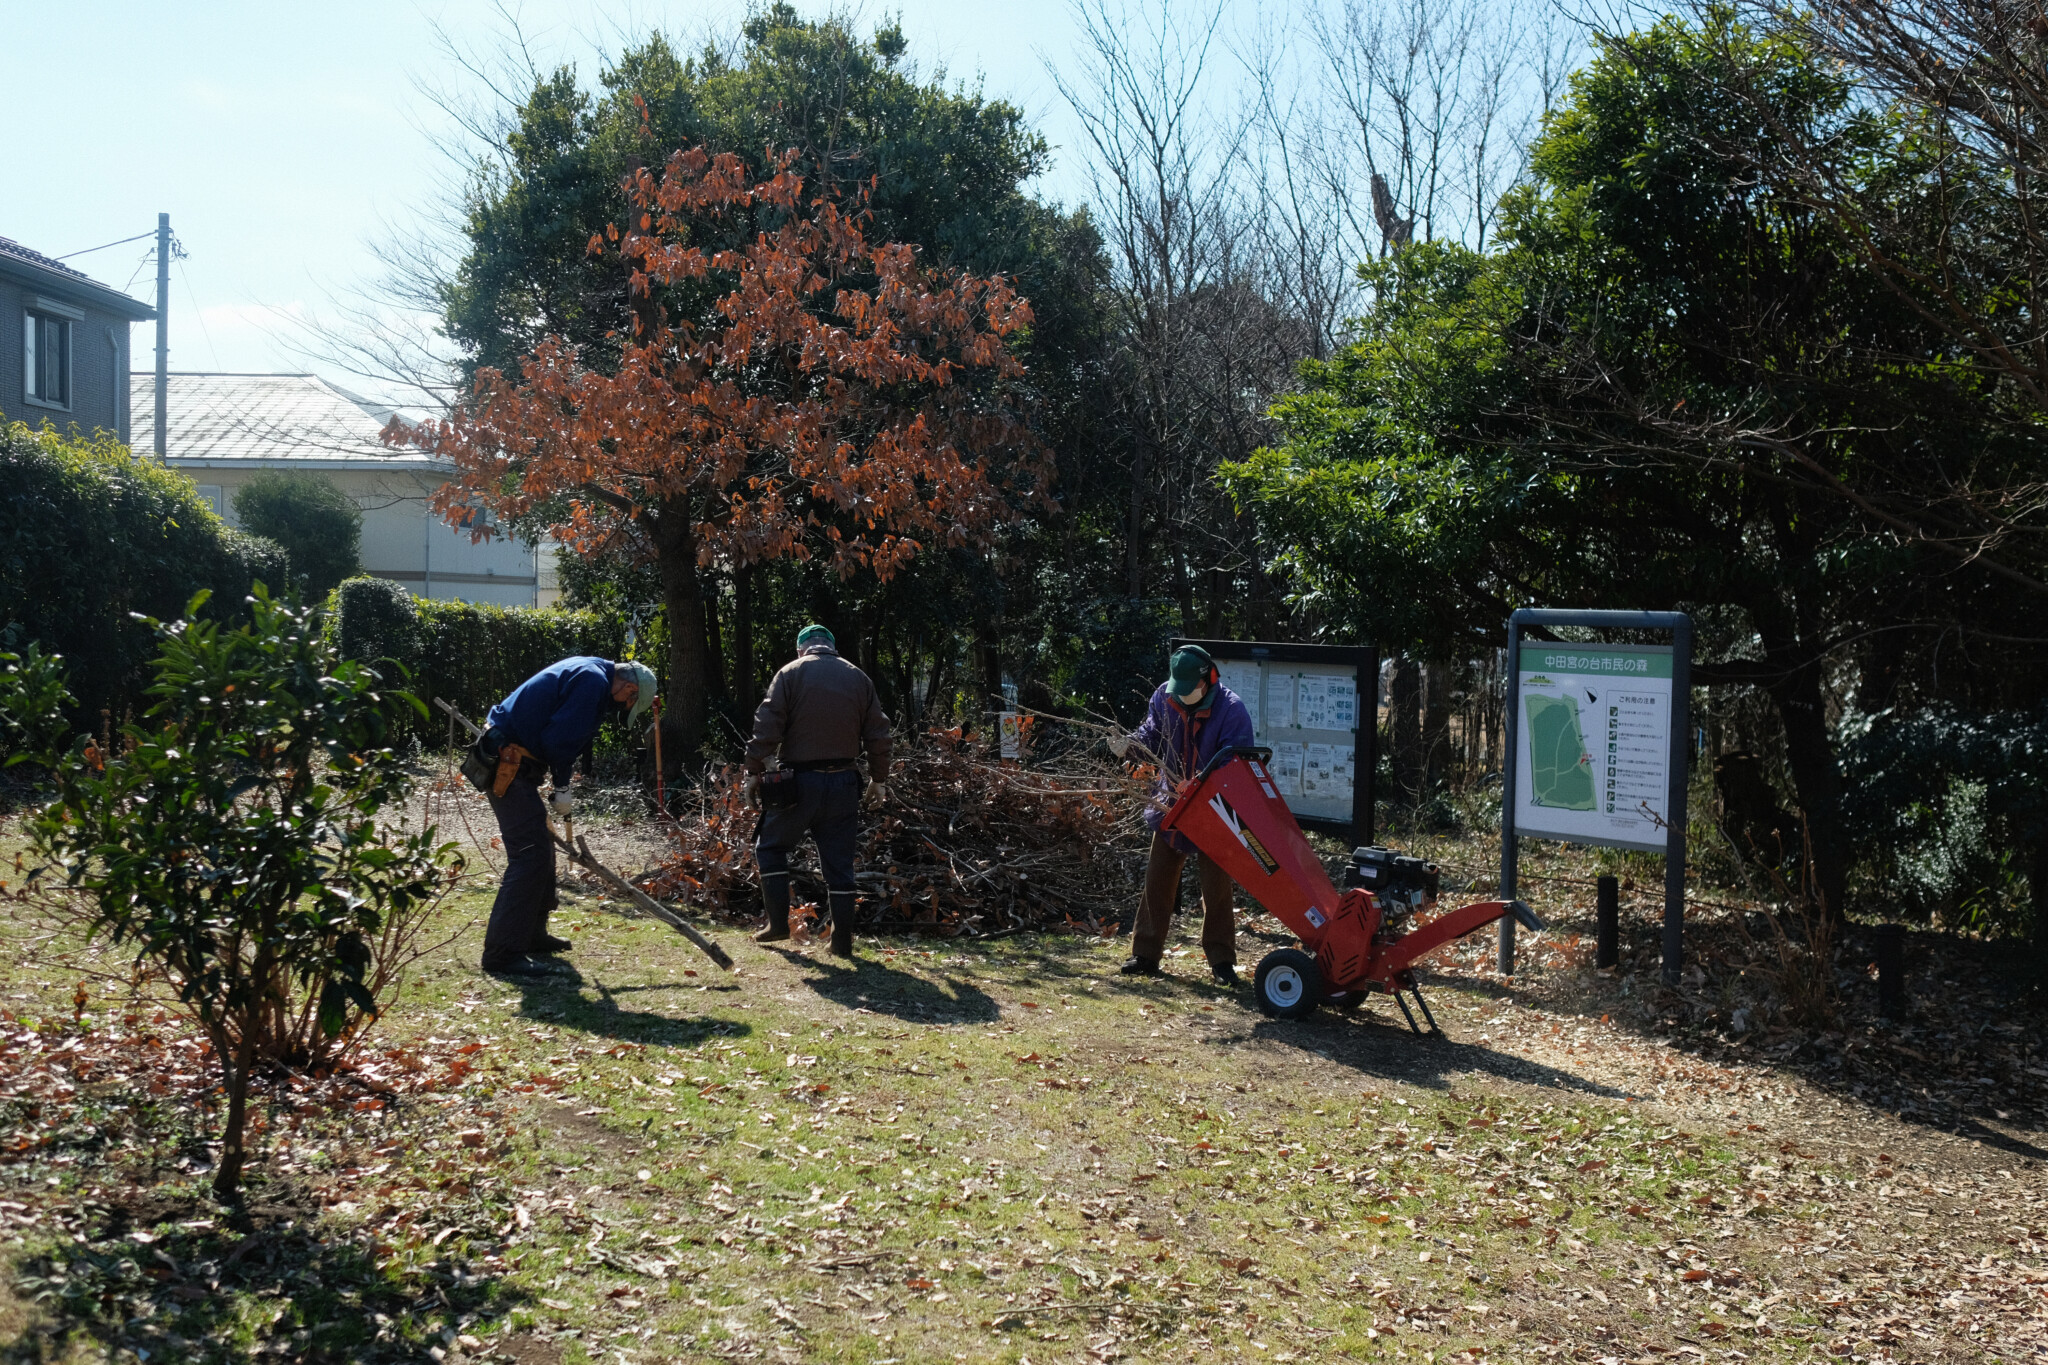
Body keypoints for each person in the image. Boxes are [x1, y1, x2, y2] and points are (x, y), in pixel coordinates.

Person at [476, 656, 657, 976]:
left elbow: (558, 735)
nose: (624, 709)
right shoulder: (592, 682)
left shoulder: (590, 671)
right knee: (529, 854)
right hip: (507, 761)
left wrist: (561, 785)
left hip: (514, 758)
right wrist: (562, 786)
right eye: (629, 703)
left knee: (541, 849)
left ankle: (532, 934)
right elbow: (559, 741)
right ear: (628, 688)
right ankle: (502, 954)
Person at [1109, 644, 1255, 985]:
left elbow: (1238, 763)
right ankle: (1144, 954)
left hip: (1216, 808)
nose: (1182, 696)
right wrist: (1127, 745)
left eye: (1189, 690)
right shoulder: (1164, 697)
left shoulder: (1231, 710)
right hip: (1170, 804)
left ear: (1208, 680)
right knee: (1157, 879)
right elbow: (1150, 734)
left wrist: (1203, 783)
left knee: (1216, 887)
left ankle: (1221, 961)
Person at [743, 624, 892, 957]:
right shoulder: (859, 678)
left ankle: (778, 924)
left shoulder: (790, 673)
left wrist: (753, 771)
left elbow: (767, 726)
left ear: (801, 650)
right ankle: (841, 943)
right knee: (839, 864)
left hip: (799, 783)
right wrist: (878, 779)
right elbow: (879, 735)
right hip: (844, 782)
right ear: (832, 647)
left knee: (770, 847)